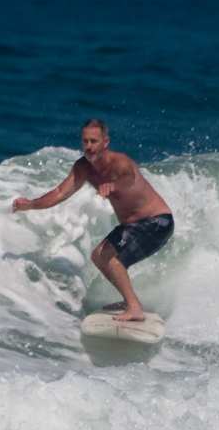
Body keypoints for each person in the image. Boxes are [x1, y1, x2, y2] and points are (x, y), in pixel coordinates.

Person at [12, 119, 173, 322]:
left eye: (94, 141)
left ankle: (134, 307)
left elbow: (129, 177)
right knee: (100, 257)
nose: (89, 146)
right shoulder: (83, 168)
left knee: (105, 255)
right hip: (134, 226)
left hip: (157, 222)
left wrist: (113, 186)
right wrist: (31, 204)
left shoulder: (120, 162)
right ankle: (130, 302)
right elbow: (61, 192)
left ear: (105, 142)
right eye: (85, 141)